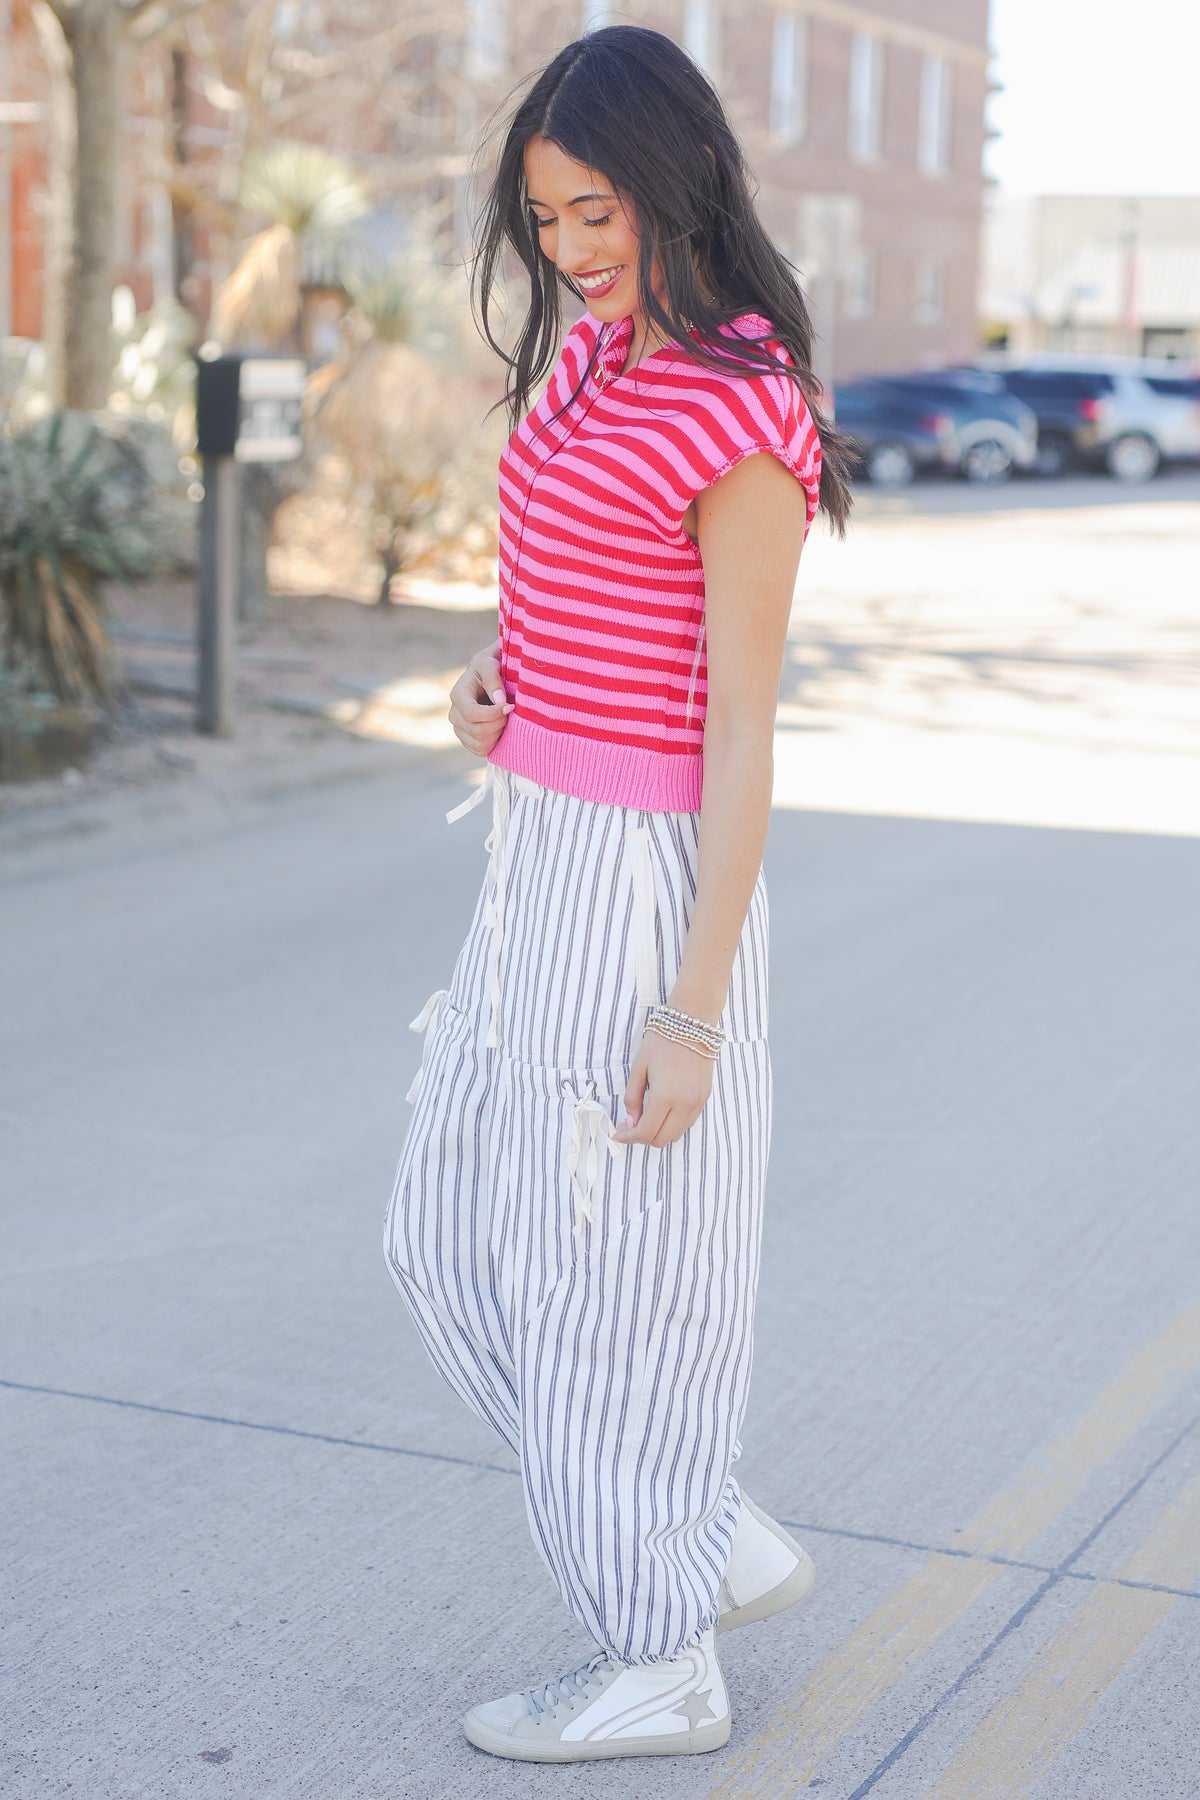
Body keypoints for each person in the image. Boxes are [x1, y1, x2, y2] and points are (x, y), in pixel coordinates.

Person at [383, 23, 852, 1765]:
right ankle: (691, 1530)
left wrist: (692, 1009)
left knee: (594, 1281)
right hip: (529, 858)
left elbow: (740, 734)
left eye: (600, 215)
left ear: (679, 187)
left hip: (642, 887)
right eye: (549, 219)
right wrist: (487, 685)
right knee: (441, 1243)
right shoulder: (583, 360)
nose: (573, 251)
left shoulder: (740, 406)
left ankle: (656, 1649)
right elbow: (574, 597)